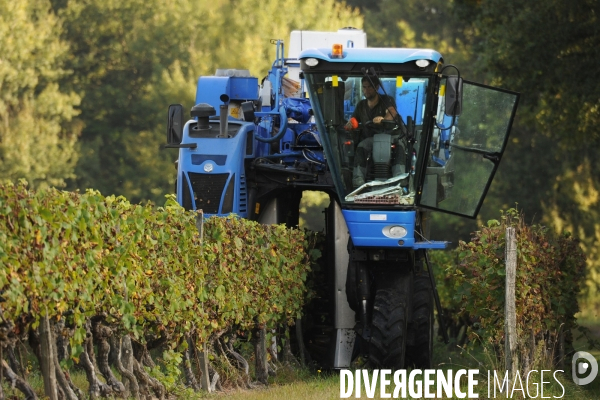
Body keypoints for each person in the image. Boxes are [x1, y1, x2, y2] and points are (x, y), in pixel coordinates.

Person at [345, 76, 403, 188]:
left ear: (376, 87)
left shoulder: (386, 100)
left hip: (390, 137)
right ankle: (358, 182)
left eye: (369, 87)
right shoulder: (361, 105)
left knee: (400, 146)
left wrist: (384, 119)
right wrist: (350, 124)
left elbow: (392, 112)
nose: (366, 90)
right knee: (361, 147)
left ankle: (399, 179)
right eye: (364, 87)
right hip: (370, 139)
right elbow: (354, 119)